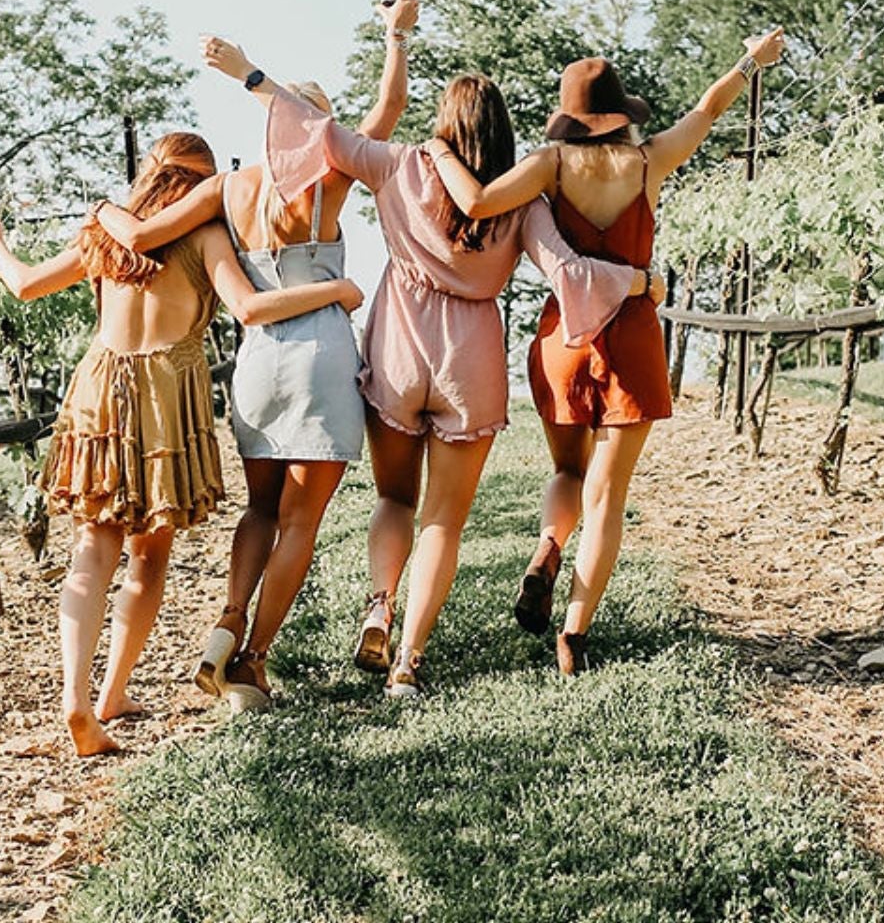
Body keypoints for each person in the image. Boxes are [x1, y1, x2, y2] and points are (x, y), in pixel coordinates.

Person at [205, 40, 662, 698]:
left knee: (395, 498)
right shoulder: (522, 198)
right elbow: (568, 272)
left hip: (398, 343)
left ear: (445, 123)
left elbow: (316, 129)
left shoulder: (399, 165)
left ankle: (380, 604)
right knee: (443, 521)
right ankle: (407, 663)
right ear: (503, 132)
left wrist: (248, 74)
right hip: (470, 357)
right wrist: (638, 282)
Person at [0, 131, 364, 755]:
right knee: (147, 560)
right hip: (163, 396)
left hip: (99, 386)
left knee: (91, 550)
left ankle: (77, 699)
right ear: (200, 186)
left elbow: (22, 284)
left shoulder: (103, 236)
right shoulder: (206, 238)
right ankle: (112, 692)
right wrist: (337, 291)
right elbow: (251, 308)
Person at [91, 0, 420, 711]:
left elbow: (141, 236)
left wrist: (103, 207)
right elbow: (388, 116)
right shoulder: (329, 180)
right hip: (319, 358)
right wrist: (396, 41)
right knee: (301, 522)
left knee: (259, 512)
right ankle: (251, 662)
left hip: (256, 361)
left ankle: (228, 621)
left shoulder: (229, 188)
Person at [423, 32, 785, 674]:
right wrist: (748, 60)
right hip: (633, 338)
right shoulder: (649, 162)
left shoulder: (549, 165)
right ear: (621, 114)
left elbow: (474, 202)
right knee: (608, 498)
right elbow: (707, 109)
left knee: (568, 473)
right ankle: (574, 634)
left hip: (565, 339)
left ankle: (545, 550)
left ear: (568, 116)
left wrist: (442, 150)